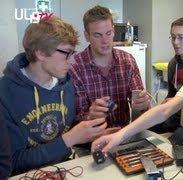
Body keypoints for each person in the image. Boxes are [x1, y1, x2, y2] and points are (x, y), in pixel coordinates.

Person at [0, 16, 107, 174]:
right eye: (66, 54)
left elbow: (67, 131)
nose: (73, 62)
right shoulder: (5, 93)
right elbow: (13, 162)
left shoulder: (66, 84)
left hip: (67, 169)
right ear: (41, 53)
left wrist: (89, 126)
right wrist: (70, 139)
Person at [70, 5, 150, 130]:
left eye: (108, 33)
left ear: (113, 31)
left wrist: (143, 105)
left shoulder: (127, 61)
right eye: (97, 35)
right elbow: (73, 120)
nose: (105, 41)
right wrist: (90, 116)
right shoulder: (75, 66)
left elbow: (138, 107)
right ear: (87, 36)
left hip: (123, 135)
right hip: (90, 139)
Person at [149, 18, 183, 138]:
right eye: (173, 37)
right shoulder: (173, 64)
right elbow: (171, 94)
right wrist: (157, 110)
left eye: (180, 37)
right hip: (175, 114)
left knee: (176, 140)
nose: (175, 42)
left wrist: (175, 103)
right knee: (147, 129)